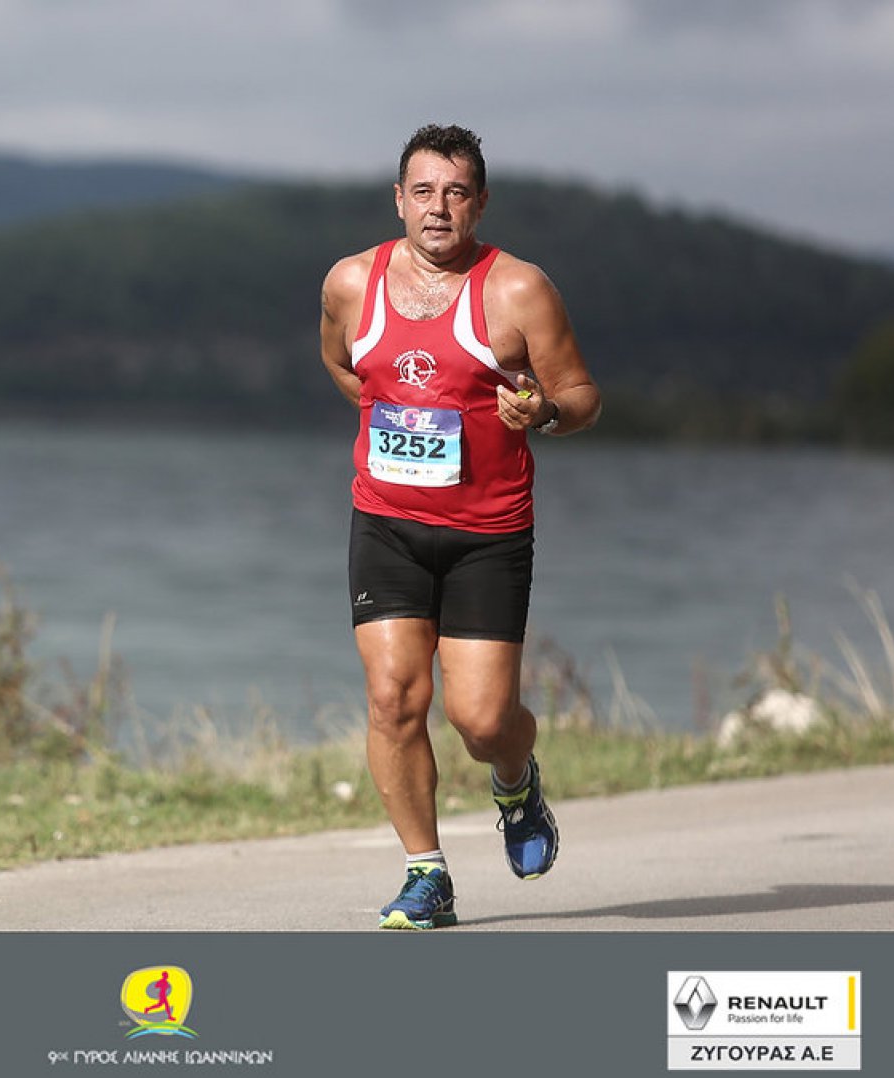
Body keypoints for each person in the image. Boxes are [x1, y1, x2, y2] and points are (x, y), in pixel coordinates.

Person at [319, 123, 601, 929]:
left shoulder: (519, 290)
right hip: (387, 522)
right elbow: (342, 364)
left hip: (488, 533)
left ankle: (515, 779)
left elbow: (582, 396)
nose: (437, 208)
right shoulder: (350, 283)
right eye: (423, 191)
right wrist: (396, 420)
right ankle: (426, 873)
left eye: (455, 193)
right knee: (393, 699)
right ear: (398, 200)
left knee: (480, 721)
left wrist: (543, 413)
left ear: (479, 203)